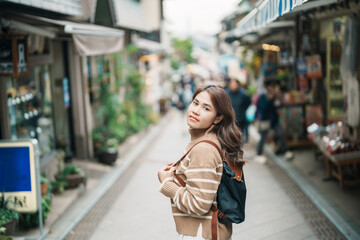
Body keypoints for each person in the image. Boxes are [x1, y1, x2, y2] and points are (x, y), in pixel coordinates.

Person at [158, 85, 244, 240]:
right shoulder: (207, 141)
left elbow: (199, 204)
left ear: (218, 118)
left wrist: (167, 184)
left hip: (201, 233)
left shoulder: (204, 148)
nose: (196, 110)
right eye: (195, 103)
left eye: (206, 108)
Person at [254, 80, 293, 164]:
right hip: (265, 120)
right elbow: (263, 107)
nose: (273, 88)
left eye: (273, 86)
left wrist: (280, 99)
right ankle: (259, 154)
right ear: (267, 87)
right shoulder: (262, 96)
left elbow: (278, 105)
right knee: (263, 137)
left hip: (274, 120)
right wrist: (270, 99)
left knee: (280, 134)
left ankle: (285, 151)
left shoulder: (275, 95)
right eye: (271, 86)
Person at [225, 78, 251, 143]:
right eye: (231, 83)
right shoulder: (226, 93)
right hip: (228, 121)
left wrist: (243, 110)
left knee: (238, 139)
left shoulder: (243, 94)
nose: (233, 85)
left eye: (235, 84)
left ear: (238, 84)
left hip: (240, 120)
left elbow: (248, 102)